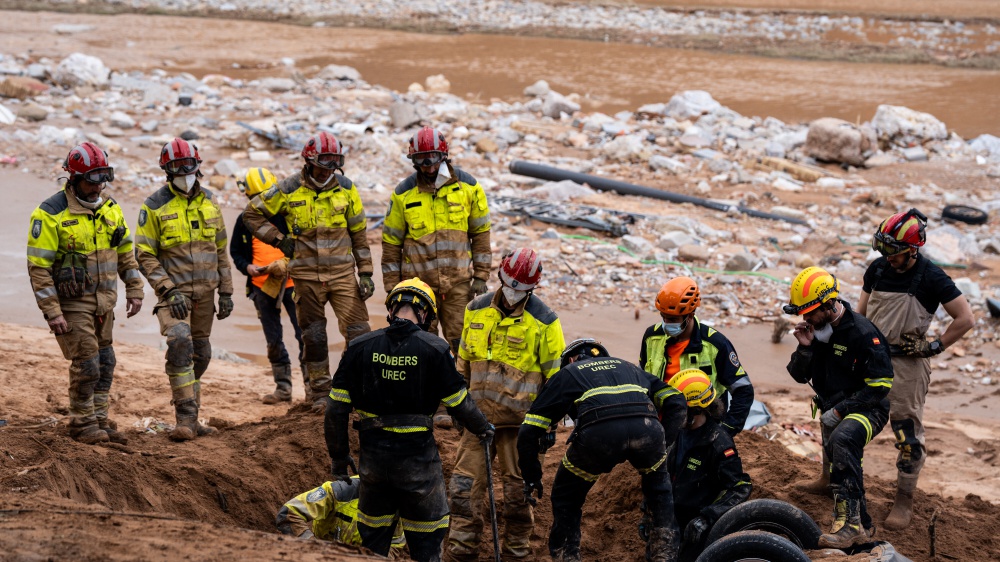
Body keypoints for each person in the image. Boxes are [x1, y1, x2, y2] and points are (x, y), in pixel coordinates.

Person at [324, 278, 494, 562]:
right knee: (427, 544)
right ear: (425, 314)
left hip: (373, 466)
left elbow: (335, 409)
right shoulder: (435, 349)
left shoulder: (359, 346)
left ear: (391, 310)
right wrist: (483, 428)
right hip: (418, 467)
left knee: (372, 544)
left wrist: (338, 459)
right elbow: (459, 404)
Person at [517, 339, 687, 562]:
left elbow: (528, 431)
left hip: (599, 436)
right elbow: (677, 401)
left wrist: (532, 477)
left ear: (570, 359)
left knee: (566, 497)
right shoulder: (627, 366)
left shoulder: (568, 372)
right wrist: (663, 444)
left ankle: (567, 556)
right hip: (647, 430)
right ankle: (664, 554)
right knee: (660, 492)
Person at [447, 248, 566, 561]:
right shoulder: (475, 309)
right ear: (500, 277)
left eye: (521, 289)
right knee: (464, 489)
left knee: (518, 494)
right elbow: (463, 362)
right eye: (510, 284)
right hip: (477, 420)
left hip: (521, 428)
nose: (513, 292)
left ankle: (516, 552)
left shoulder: (545, 322)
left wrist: (548, 424)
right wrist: (458, 407)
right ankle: (461, 550)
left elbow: (556, 381)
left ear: (531, 289)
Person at [858, 208, 973, 530]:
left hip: (907, 367)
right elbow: (861, 314)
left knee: (907, 435)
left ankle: (904, 501)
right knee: (838, 417)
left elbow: (965, 319)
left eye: (892, 251)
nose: (886, 257)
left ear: (912, 249)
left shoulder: (932, 277)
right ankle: (830, 478)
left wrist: (933, 346)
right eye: (882, 249)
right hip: (870, 358)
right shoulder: (878, 269)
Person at [243, 132, 373, 413]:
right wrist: (279, 239)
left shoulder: (347, 189)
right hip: (305, 277)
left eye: (333, 162)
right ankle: (320, 394)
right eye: (323, 162)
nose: (327, 168)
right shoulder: (288, 188)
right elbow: (251, 215)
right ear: (310, 160)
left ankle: (355, 391)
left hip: (342, 275)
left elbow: (359, 235)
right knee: (314, 338)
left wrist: (365, 273)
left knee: (360, 334)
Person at [27, 142, 144, 445]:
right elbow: (38, 268)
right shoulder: (50, 214)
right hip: (72, 305)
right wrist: (51, 311)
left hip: (105, 302)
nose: (97, 188)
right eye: (91, 182)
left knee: (106, 361)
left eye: (101, 181)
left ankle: (100, 420)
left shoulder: (110, 208)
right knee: (87, 363)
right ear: (74, 179)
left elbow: (125, 253)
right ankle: (82, 423)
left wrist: (135, 289)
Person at [784, 266, 893, 549]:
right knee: (836, 450)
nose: (806, 318)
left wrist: (842, 410)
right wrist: (805, 348)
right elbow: (797, 376)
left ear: (830, 304)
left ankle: (853, 526)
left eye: (810, 312)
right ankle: (855, 511)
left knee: (844, 440)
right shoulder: (818, 330)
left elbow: (880, 386)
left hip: (870, 407)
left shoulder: (863, 333)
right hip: (834, 405)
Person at [135, 137, 234, 441]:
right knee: (180, 343)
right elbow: (144, 255)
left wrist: (227, 292)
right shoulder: (153, 206)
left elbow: (220, 250)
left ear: (197, 166)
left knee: (201, 353)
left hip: (206, 293)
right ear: (167, 170)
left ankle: (192, 415)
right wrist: (167, 290)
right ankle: (185, 418)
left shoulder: (211, 202)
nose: (184, 171)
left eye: (188, 165)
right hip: (173, 296)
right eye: (177, 167)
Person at [381, 126, 492, 354]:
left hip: (458, 287)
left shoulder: (468, 187)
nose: (429, 167)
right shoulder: (403, 193)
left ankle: (461, 389)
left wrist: (481, 276)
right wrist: (393, 288)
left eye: (433, 160)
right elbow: (391, 244)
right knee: (421, 348)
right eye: (422, 162)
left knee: (464, 348)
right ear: (414, 161)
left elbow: (480, 234)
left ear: (444, 156)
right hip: (417, 290)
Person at [639, 276, 754, 436]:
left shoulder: (715, 344)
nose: (666, 324)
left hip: (701, 428)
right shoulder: (652, 337)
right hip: (662, 424)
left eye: (672, 319)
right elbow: (641, 379)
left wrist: (727, 430)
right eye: (663, 316)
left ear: (691, 315)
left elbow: (743, 389)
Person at [229, 167, 305, 404]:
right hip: (262, 287)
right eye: (256, 198)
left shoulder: (287, 215)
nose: (262, 202)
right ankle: (283, 389)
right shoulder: (246, 220)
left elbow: (303, 247)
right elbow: (236, 252)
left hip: (293, 285)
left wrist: (285, 263)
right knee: (273, 340)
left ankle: (314, 390)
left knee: (306, 336)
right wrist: (248, 268)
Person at [665, 369, 752, 562]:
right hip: (670, 516)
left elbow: (740, 487)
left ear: (697, 410)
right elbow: (662, 474)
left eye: (680, 409)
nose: (674, 413)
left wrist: (707, 518)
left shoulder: (719, 444)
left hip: (697, 526)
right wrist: (649, 512)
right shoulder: (676, 432)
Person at [276, 476, 405, 557]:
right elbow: (288, 513)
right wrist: (314, 547)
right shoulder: (339, 492)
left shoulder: (398, 505)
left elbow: (396, 545)